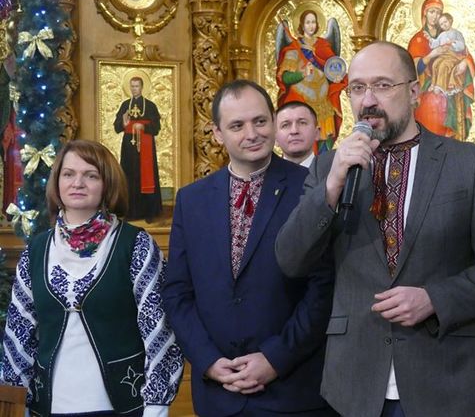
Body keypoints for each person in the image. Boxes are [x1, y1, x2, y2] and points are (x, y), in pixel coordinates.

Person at [276, 41, 475, 417]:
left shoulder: (467, 164)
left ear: (413, 91)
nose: (368, 100)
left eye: (382, 85)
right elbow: (291, 259)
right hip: (356, 385)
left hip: (447, 380)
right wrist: (332, 186)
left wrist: (435, 299)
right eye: (357, 88)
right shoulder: (329, 169)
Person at [161, 80, 335, 416]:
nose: (252, 134)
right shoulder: (191, 200)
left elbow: (324, 287)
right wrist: (208, 361)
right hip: (218, 392)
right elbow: (177, 293)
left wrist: (275, 358)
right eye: (237, 126)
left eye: (260, 121)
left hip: (293, 391)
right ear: (217, 133)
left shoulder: (310, 188)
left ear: (273, 121)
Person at [0, 139, 183, 416]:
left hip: (122, 405)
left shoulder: (135, 245)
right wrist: (16, 402)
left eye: (91, 175)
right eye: (68, 174)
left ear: (107, 184)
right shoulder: (36, 250)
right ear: (57, 182)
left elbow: (159, 330)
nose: (78, 183)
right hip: (47, 406)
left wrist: (157, 406)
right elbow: (19, 333)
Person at [276, 10, 347, 153]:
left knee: (325, 138)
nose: (311, 25)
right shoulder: (294, 48)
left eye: (313, 22)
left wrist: (337, 77)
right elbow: (285, 77)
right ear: (302, 25)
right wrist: (302, 73)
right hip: (302, 98)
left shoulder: (323, 45)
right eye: (308, 22)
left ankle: (323, 163)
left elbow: (333, 67)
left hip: (323, 99)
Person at [408, 0, 475, 140]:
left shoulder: (450, 33)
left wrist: (465, 62)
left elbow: (465, 53)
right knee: (432, 106)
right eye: (432, 12)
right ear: (424, 13)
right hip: (427, 93)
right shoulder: (418, 39)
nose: (435, 16)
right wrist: (432, 54)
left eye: (438, 13)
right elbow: (412, 70)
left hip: (453, 86)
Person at [113, 76, 163, 223]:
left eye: (137, 86)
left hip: (146, 144)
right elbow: (117, 127)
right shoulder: (125, 105)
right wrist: (124, 123)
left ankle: (149, 212)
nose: (134, 89)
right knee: (129, 174)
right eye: (132, 86)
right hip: (129, 145)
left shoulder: (150, 106)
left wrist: (144, 126)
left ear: (142, 87)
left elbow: (156, 127)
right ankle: (130, 212)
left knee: (146, 175)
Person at [428, 13, 468, 95]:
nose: (444, 25)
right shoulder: (442, 35)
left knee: (444, 65)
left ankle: (440, 86)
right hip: (444, 55)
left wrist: (452, 43)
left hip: (453, 56)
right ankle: (433, 83)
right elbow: (436, 43)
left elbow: (462, 45)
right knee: (435, 64)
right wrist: (430, 40)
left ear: (450, 20)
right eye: (441, 24)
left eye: (445, 22)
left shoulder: (457, 33)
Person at [276, 100, 320, 168]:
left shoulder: (334, 171)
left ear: (317, 133)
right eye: (285, 125)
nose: (294, 131)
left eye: (302, 123)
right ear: (275, 138)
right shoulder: (265, 174)